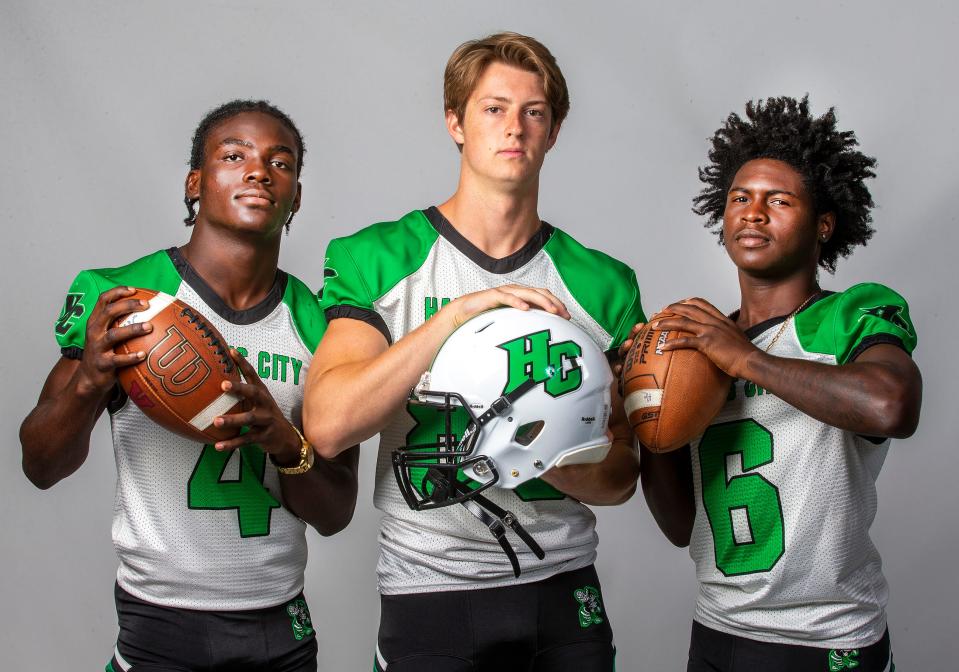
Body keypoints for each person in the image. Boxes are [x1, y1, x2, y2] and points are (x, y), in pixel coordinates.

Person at [304, 32, 644, 671]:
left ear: (553, 130)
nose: (514, 127)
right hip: (432, 586)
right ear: (455, 122)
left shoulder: (602, 283)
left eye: (533, 111)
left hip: (564, 590)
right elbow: (327, 424)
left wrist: (543, 454)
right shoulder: (379, 259)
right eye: (493, 108)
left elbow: (623, 476)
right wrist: (457, 315)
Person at [20, 100, 360, 672]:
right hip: (159, 622)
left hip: (281, 625)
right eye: (234, 156)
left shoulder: (323, 324)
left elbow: (336, 513)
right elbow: (40, 465)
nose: (258, 171)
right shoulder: (128, 298)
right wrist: (88, 381)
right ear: (195, 183)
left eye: (281, 163)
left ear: (296, 196)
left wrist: (281, 439)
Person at [637, 96, 922, 671]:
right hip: (718, 631)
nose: (753, 212)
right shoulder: (699, 349)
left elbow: (892, 405)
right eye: (740, 197)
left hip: (829, 638)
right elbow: (679, 527)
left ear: (823, 224)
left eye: (779, 200)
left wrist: (746, 360)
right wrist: (646, 408)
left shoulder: (848, 317)